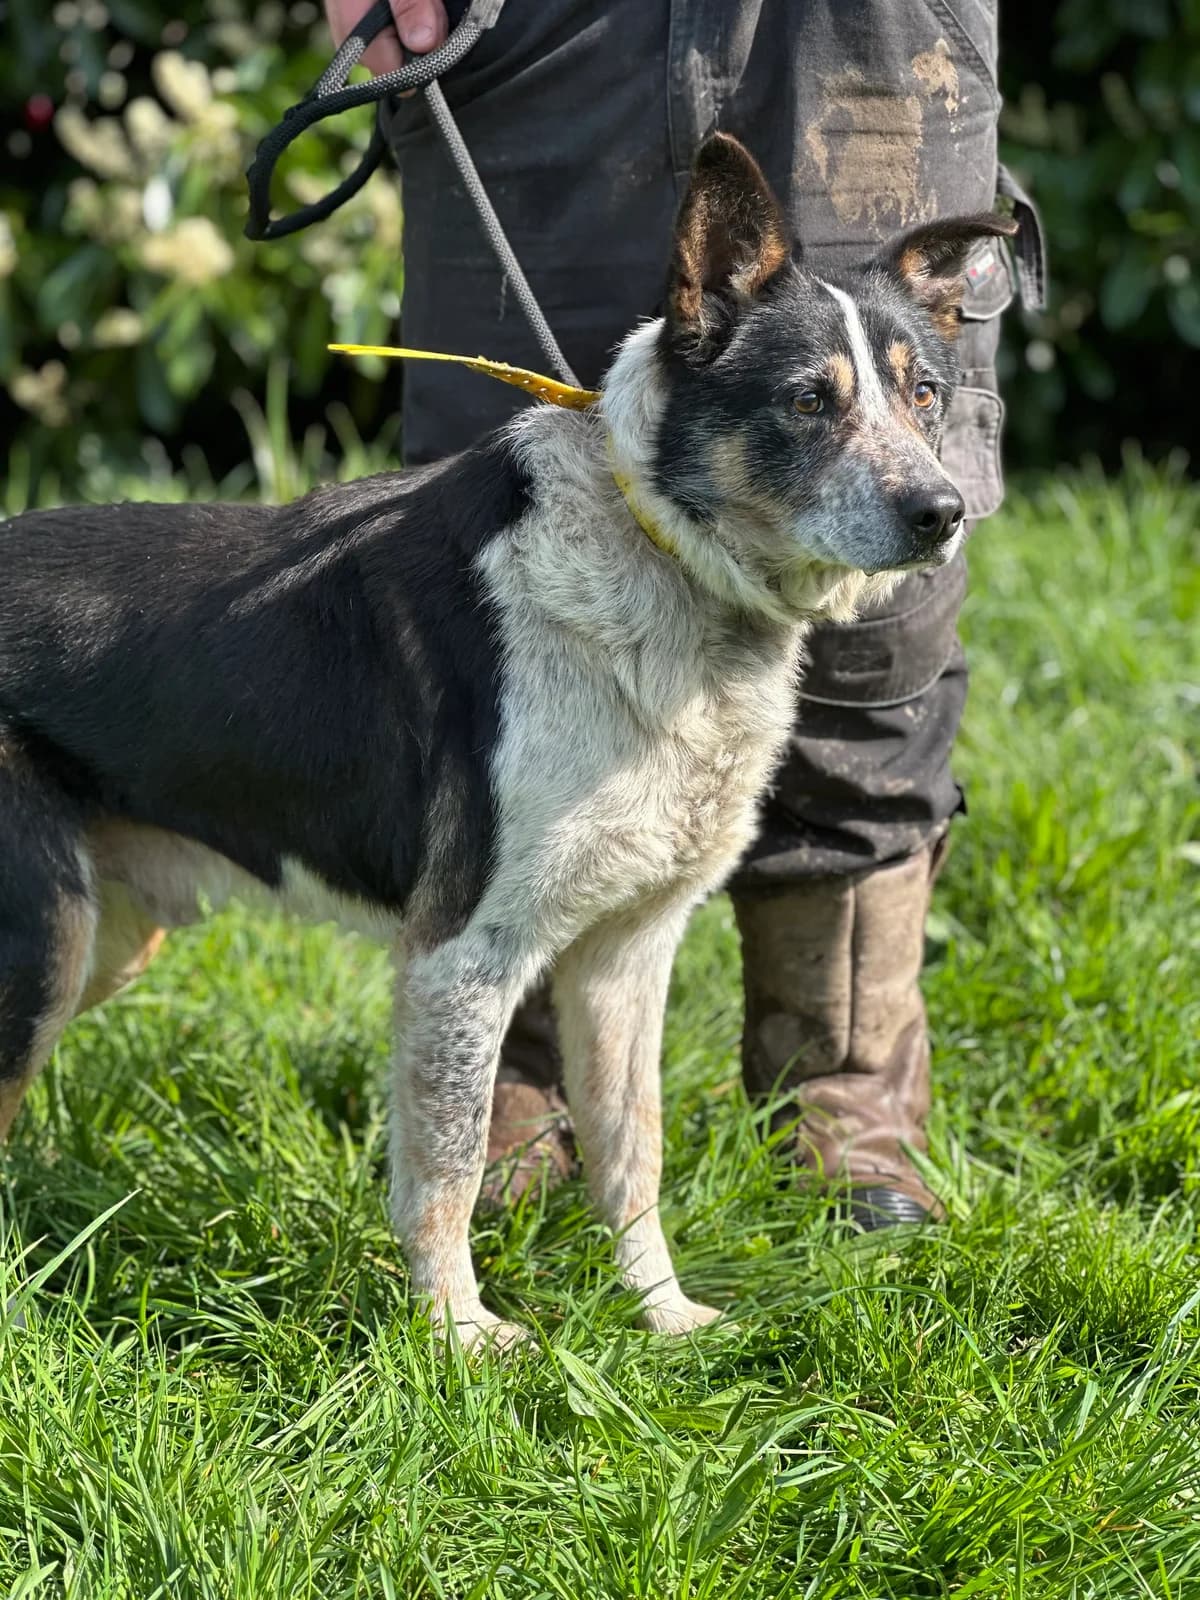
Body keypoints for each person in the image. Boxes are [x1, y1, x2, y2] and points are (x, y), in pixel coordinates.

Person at [323, 0, 1042, 1226]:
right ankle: (513, 1072)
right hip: (542, 29)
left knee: (879, 598)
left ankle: (843, 1089)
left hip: (868, 29)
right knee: (498, 526)